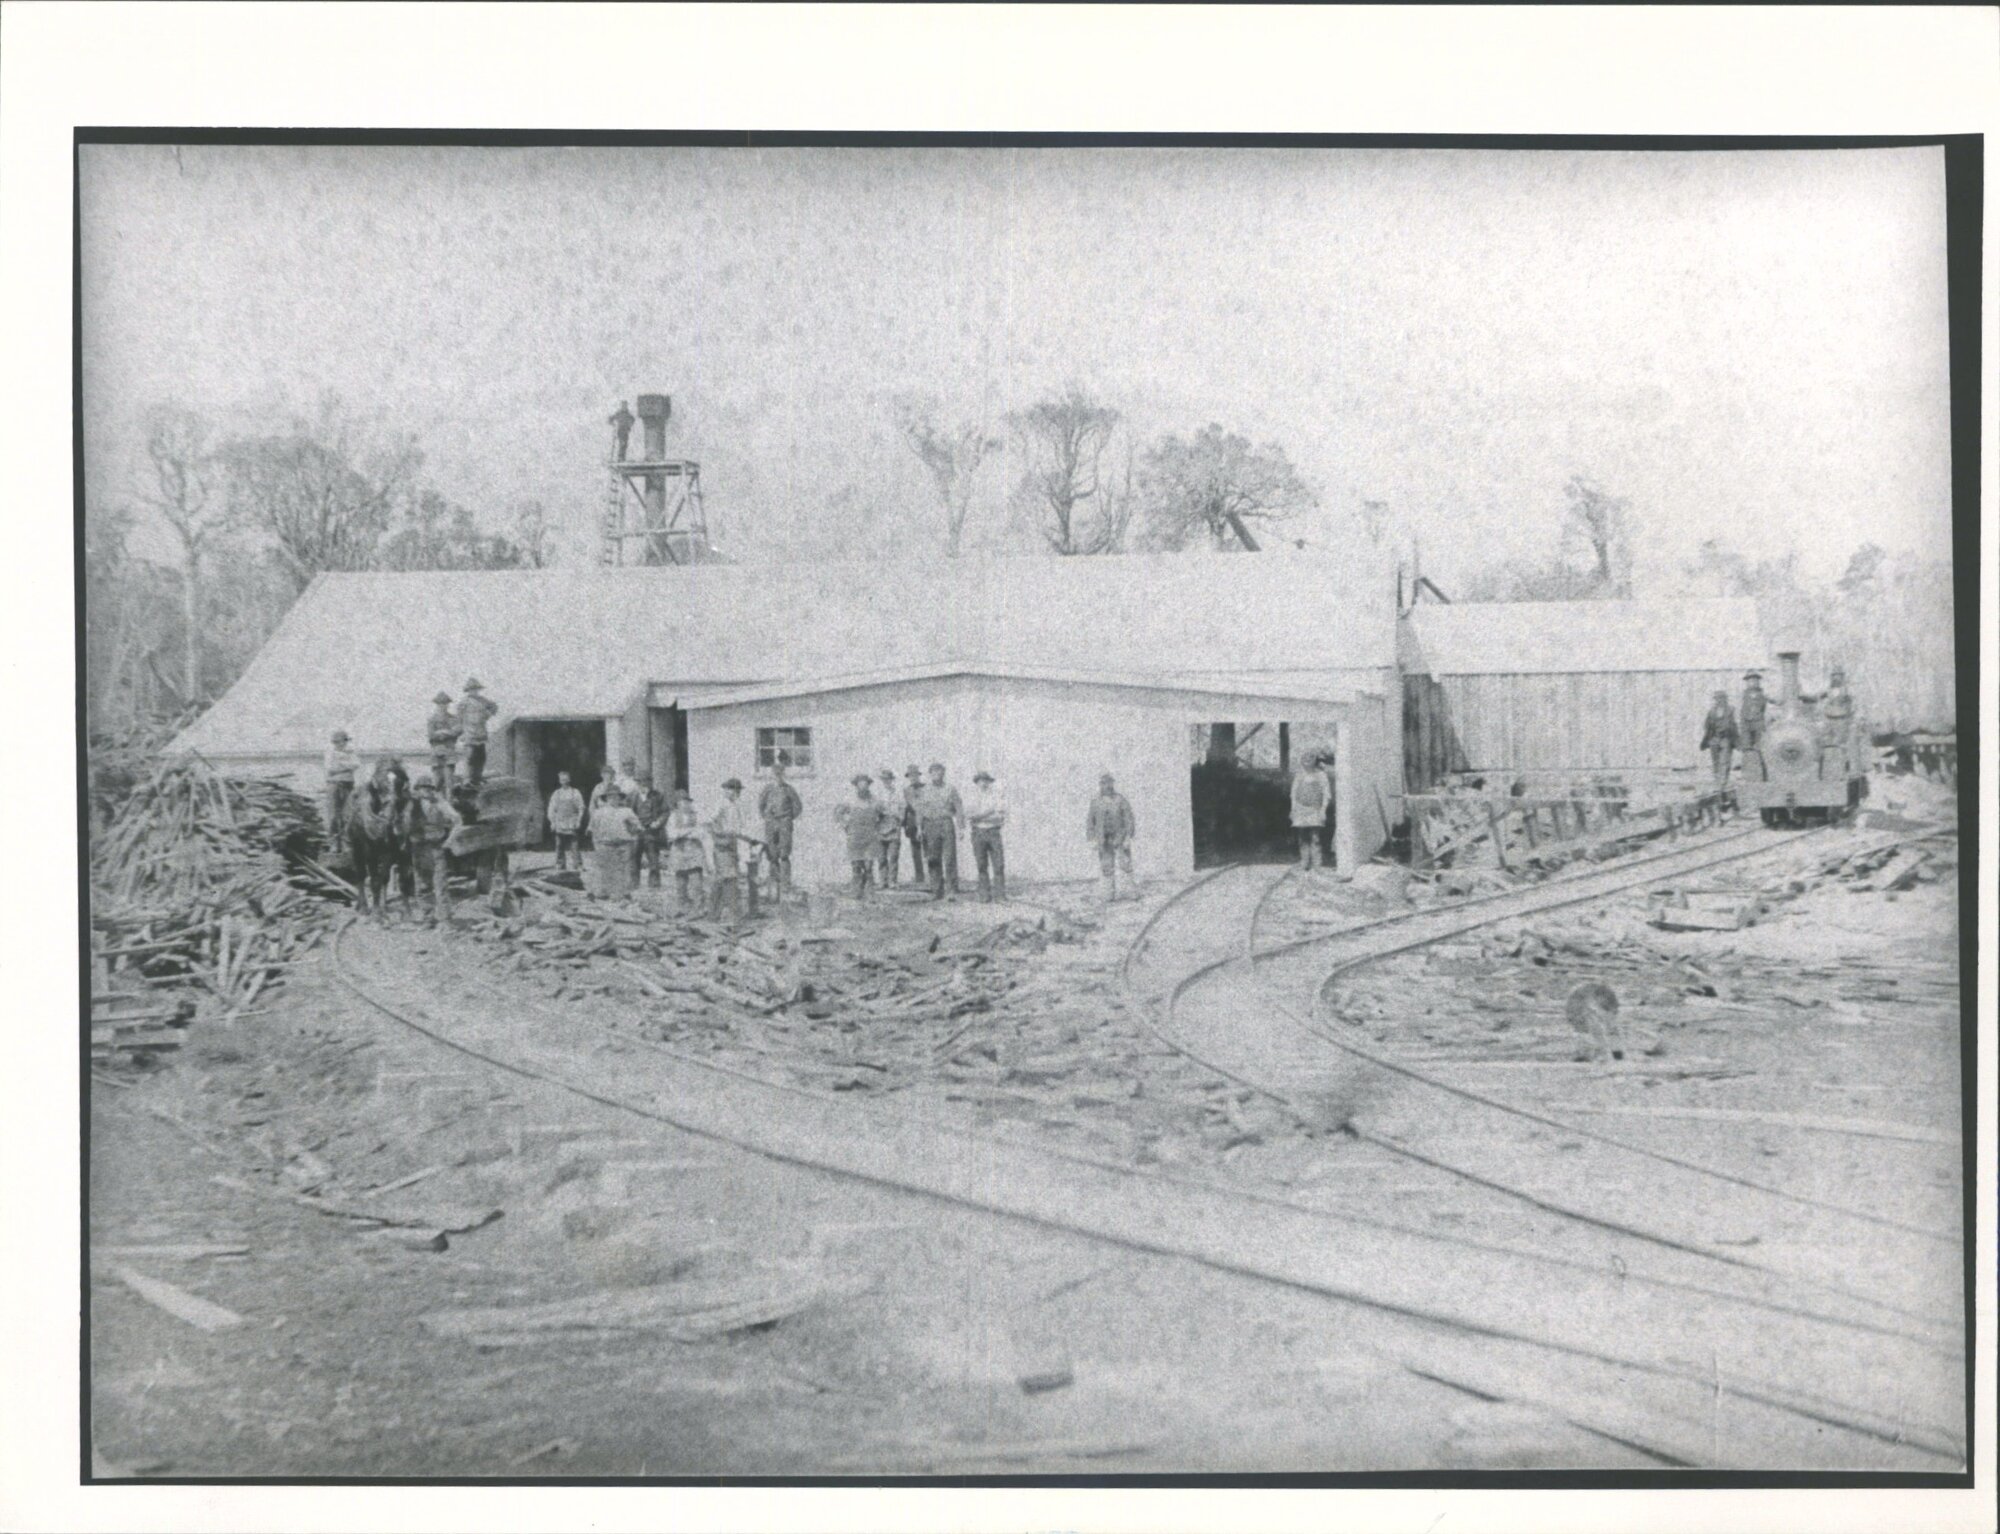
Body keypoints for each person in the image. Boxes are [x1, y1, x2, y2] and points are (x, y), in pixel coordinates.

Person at [405, 777, 460, 925]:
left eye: (429, 788)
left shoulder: (440, 803)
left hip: (436, 848)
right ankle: (428, 917)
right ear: (417, 790)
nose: (426, 791)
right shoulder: (411, 805)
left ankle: (445, 920)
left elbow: (457, 819)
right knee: (422, 884)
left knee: (440, 884)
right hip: (418, 848)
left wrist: (449, 841)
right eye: (423, 788)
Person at [708, 777, 761, 920]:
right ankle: (731, 912)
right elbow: (710, 823)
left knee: (722, 879)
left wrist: (749, 840)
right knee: (729, 878)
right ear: (727, 790)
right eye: (733, 790)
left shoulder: (735, 806)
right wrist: (720, 837)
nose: (736, 793)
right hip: (722, 845)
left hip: (732, 845)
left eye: (738, 791)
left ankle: (713, 913)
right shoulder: (720, 804)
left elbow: (737, 830)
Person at [913, 762, 965, 900]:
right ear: (930, 774)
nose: (937, 774)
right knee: (933, 858)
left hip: (946, 824)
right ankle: (936, 890)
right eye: (934, 772)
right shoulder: (924, 791)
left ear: (943, 773)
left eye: (939, 771)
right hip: (930, 825)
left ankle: (951, 891)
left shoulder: (950, 789)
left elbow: (959, 808)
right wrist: (919, 828)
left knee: (949, 857)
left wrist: (961, 828)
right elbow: (919, 810)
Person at [757, 755, 805, 902]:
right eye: (775, 773)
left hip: (784, 824)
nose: (777, 776)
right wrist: (768, 818)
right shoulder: (767, 789)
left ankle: (785, 886)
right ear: (772, 774)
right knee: (772, 855)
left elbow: (798, 806)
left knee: (784, 854)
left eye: (780, 773)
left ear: (783, 774)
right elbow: (761, 805)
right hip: (771, 824)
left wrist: (788, 818)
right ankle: (774, 887)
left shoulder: (788, 789)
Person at [1086, 772, 1137, 903]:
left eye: (1109, 783)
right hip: (1104, 840)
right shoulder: (1095, 802)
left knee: (1125, 864)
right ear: (1100, 785)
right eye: (1104, 783)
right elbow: (1090, 822)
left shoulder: (1120, 800)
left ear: (1112, 784)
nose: (1107, 786)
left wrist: (1128, 837)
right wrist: (1092, 839)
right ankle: (1108, 894)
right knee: (1106, 867)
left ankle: (1129, 892)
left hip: (1120, 838)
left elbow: (1129, 819)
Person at [836, 774, 888, 899]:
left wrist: (878, 828)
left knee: (869, 866)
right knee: (856, 866)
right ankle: (856, 892)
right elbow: (838, 813)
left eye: (865, 784)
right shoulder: (850, 800)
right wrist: (845, 825)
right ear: (856, 786)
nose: (863, 786)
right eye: (860, 784)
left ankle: (869, 893)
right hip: (855, 836)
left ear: (868, 785)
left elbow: (883, 815)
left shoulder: (874, 800)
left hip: (870, 837)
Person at [664, 789, 711, 912]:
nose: (685, 804)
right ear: (677, 803)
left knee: (696, 879)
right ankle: (683, 905)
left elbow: (701, 833)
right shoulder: (673, 816)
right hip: (679, 850)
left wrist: (686, 833)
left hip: (694, 850)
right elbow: (672, 834)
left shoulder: (696, 815)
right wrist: (688, 831)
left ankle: (699, 906)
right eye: (682, 801)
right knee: (681, 879)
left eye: (687, 801)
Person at [965, 769, 1007, 903]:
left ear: (989, 782)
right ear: (976, 783)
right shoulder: (972, 797)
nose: (983, 783)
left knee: (999, 865)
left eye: (986, 781)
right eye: (980, 781)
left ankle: (1000, 896)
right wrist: (989, 812)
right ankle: (984, 895)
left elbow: (1000, 817)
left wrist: (980, 816)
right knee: (981, 865)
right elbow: (969, 816)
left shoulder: (996, 796)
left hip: (993, 832)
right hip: (978, 833)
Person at [1290, 753, 1332, 871]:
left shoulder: (1321, 775)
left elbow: (1326, 794)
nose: (1307, 760)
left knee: (1315, 837)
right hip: (1301, 808)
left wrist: (1323, 810)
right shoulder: (1299, 775)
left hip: (1315, 809)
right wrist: (1293, 809)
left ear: (1315, 760)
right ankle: (1304, 862)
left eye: (1310, 758)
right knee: (1302, 837)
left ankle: (1317, 864)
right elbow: (1293, 793)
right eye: (1304, 758)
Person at [629, 774, 669, 887]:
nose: (643, 785)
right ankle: (634, 883)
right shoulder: (632, 796)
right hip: (636, 832)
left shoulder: (658, 796)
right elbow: (626, 813)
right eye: (640, 783)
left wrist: (658, 822)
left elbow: (665, 812)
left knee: (653, 858)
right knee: (634, 857)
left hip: (652, 831)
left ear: (651, 783)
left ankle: (654, 884)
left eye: (646, 782)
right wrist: (633, 825)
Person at [324, 730, 360, 853]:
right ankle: (334, 842)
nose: (341, 744)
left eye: (343, 741)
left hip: (348, 785)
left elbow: (356, 765)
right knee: (333, 815)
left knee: (348, 814)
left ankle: (346, 842)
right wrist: (347, 767)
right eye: (338, 742)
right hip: (334, 785)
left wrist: (341, 765)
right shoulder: (330, 752)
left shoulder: (351, 752)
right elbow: (330, 768)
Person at [458, 678, 497, 786]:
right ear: (468, 691)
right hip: (469, 733)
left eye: (475, 689)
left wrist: (488, 714)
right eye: (472, 689)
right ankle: (467, 780)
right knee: (470, 757)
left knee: (481, 757)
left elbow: (494, 707)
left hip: (481, 733)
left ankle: (477, 778)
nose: (474, 691)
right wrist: (462, 731)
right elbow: (459, 718)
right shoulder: (464, 703)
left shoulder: (483, 701)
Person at [546, 770, 586, 871]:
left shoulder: (575, 792)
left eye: (566, 779)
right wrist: (552, 822)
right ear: (559, 781)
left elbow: (581, 807)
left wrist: (579, 820)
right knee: (559, 844)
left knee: (574, 844)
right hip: (559, 822)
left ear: (569, 780)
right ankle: (560, 864)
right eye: (562, 780)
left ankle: (578, 864)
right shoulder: (557, 793)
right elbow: (551, 809)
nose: (564, 781)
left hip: (572, 821)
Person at [1700, 690, 1740, 789]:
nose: (1719, 700)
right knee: (1715, 761)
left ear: (1725, 699)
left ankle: (1723, 782)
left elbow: (1735, 724)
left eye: (1721, 698)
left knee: (1725, 761)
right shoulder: (1711, 711)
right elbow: (1706, 725)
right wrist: (1709, 737)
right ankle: (1717, 781)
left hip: (1726, 738)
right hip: (1714, 738)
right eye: (1717, 698)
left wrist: (1735, 738)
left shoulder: (1731, 710)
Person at [1821, 665, 1856, 774]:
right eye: (1834, 675)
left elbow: (1853, 704)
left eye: (1838, 675)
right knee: (1827, 743)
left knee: (1841, 744)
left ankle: (1844, 768)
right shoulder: (1828, 690)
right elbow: (1817, 696)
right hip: (1829, 719)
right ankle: (1829, 768)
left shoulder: (1846, 690)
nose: (1836, 678)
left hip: (1842, 719)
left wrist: (1849, 715)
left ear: (1842, 677)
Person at [875, 768, 904, 886]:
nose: (886, 781)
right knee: (881, 857)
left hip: (894, 827)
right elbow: (874, 810)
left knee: (893, 856)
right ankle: (883, 881)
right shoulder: (878, 794)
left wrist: (898, 817)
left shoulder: (898, 793)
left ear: (892, 780)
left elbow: (902, 809)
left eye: (888, 779)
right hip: (881, 827)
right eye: (884, 779)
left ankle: (892, 881)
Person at [426, 690, 460, 792]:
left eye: (445, 703)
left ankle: (449, 799)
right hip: (436, 752)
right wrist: (447, 732)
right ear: (437, 705)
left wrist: (441, 732)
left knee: (449, 781)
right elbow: (431, 736)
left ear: (448, 705)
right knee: (436, 782)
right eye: (440, 704)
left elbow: (456, 732)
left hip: (449, 752)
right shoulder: (432, 719)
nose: (442, 706)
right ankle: (436, 800)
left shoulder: (453, 718)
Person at [901, 764, 928, 884]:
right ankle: (919, 877)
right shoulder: (906, 791)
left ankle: (932, 876)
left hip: (926, 821)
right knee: (915, 851)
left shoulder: (926, 788)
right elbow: (904, 808)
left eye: (915, 775)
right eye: (910, 776)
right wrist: (903, 824)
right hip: (912, 823)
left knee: (929, 849)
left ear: (918, 776)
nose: (913, 778)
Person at [1739, 671, 1768, 778]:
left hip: (1758, 722)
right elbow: (1742, 711)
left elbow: (1764, 709)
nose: (1752, 682)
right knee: (1747, 747)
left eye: (1755, 680)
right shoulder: (1744, 695)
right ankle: (1748, 774)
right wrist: (1743, 724)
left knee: (1760, 747)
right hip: (1746, 723)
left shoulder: (1762, 695)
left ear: (1758, 682)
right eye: (1750, 680)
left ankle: (1763, 774)